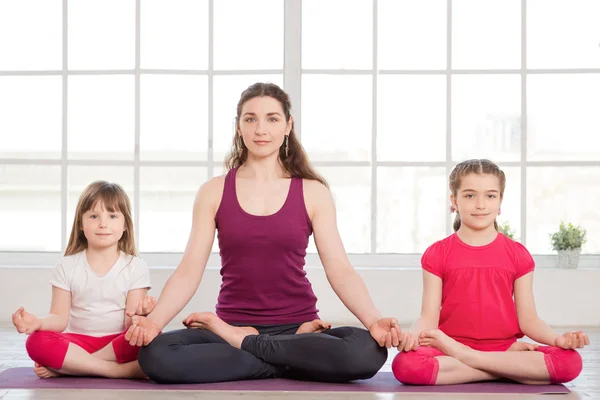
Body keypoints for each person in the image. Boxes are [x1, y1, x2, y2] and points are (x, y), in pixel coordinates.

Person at [124, 82, 403, 384]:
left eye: (272, 118)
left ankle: (250, 346)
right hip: (232, 327)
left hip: (297, 328)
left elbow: (340, 270)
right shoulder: (213, 192)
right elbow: (189, 271)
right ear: (238, 127)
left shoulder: (313, 192)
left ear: (288, 126)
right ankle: (287, 360)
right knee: (156, 355)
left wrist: (373, 321)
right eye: (250, 118)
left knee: (367, 351)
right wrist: (154, 323)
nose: (261, 129)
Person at [391, 159, 588, 385]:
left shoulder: (517, 254)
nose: (481, 205)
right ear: (454, 200)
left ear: (500, 201)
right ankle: (507, 368)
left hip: (492, 349)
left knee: (570, 361)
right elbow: (428, 317)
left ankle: (474, 360)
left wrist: (558, 339)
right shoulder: (437, 253)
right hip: (449, 347)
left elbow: (529, 320)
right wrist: (412, 337)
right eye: (469, 195)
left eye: (490, 196)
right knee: (406, 365)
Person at [12, 181, 155, 379]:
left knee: (151, 339)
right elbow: (59, 318)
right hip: (77, 342)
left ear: (125, 226)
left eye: (112, 216)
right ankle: (116, 371)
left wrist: (141, 316)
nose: (103, 224)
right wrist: (37, 322)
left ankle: (73, 367)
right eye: (94, 216)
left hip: (118, 343)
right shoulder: (66, 266)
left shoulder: (135, 266)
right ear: (81, 223)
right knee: (36, 341)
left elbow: (131, 325)